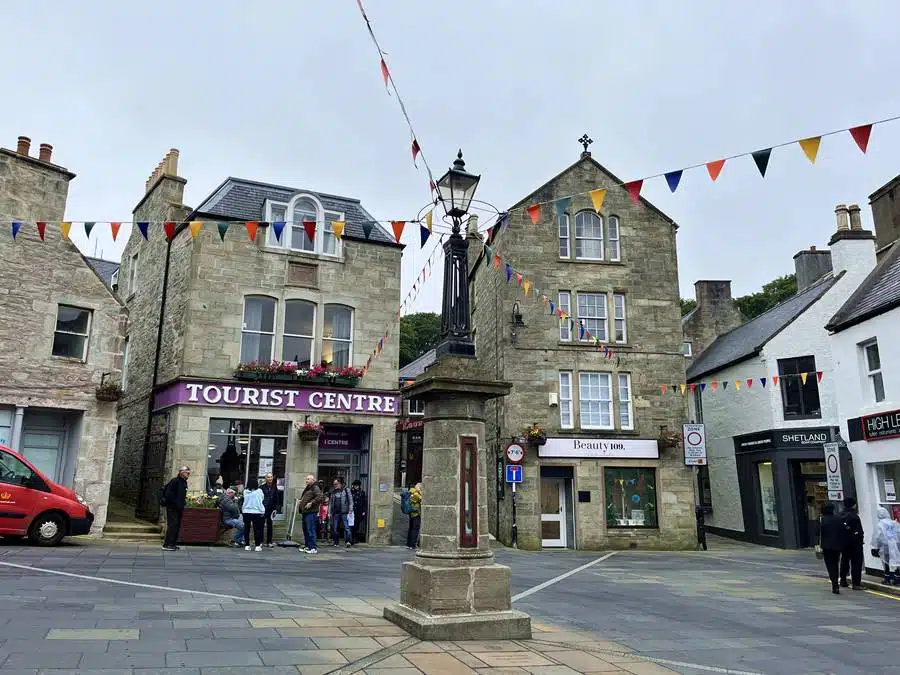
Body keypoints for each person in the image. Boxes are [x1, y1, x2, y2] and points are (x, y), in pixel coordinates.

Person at [161, 466, 190, 551]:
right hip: (172, 507)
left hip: (179, 508)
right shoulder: (175, 481)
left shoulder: (184, 482)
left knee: (177, 525)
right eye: (187, 472)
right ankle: (167, 544)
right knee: (172, 525)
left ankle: (173, 543)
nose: (188, 474)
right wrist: (174, 503)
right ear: (181, 472)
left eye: (189, 473)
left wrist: (183, 504)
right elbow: (168, 494)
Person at [839, 496, 864, 590]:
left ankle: (843, 580)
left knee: (844, 561)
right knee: (856, 563)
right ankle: (856, 583)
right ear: (853, 505)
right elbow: (858, 531)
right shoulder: (854, 516)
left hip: (844, 543)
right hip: (855, 543)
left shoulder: (840, 515)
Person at [819, 503, 845, 594]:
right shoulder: (838, 519)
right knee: (836, 564)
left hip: (826, 546)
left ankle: (834, 584)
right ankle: (836, 582)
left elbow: (817, 533)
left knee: (830, 566)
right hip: (837, 546)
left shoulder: (822, 520)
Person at [872, 506, 900, 585]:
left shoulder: (879, 525)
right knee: (896, 560)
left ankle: (887, 578)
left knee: (885, 562)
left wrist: (876, 546)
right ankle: (897, 577)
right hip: (895, 544)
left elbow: (877, 537)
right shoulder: (894, 522)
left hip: (885, 546)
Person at [298, 474, 324, 554]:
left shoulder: (315, 487)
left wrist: (311, 503)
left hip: (311, 513)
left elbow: (320, 496)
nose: (306, 480)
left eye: (308, 479)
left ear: (313, 480)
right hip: (305, 512)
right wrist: (301, 501)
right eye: (306, 479)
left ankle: (313, 548)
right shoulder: (308, 488)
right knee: (306, 530)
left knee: (310, 530)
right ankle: (307, 546)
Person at [241, 478, 266, 551]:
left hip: (246, 511)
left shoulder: (245, 491)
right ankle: (257, 546)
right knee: (257, 529)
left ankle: (247, 545)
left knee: (246, 529)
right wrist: (262, 511)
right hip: (256, 512)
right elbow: (262, 499)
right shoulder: (259, 491)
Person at [329, 477, 353, 547]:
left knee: (346, 527)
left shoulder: (346, 490)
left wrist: (350, 510)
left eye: (336, 484)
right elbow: (330, 502)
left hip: (344, 512)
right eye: (334, 484)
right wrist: (329, 512)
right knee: (335, 528)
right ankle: (336, 542)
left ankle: (348, 541)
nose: (335, 485)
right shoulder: (333, 491)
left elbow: (350, 500)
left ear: (340, 484)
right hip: (336, 513)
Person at [260, 473, 282, 548]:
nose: (270, 478)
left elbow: (277, 499)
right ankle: (260, 541)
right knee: (261, 525)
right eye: (268, 477)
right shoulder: (262, 487)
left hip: (271, 509)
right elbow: (259, 498)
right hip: (263, 509)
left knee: (270, 525)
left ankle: (269, 541)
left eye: (271, 477)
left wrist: (276, 509)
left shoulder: (274, 487)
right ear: (265, 479)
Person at [350, 480, 367, 545]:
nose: (356, 487)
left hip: (359, 511)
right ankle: (351, 538)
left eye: (357, 485)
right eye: (355, 485)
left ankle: (354, 537)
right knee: (351, 525)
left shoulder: (362, 492)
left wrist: (364, 511)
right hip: (352, 511)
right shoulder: (351, 492)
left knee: (357, 525)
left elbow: (364, 502)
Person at [407, 482, 422, 550]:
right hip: (416, 513)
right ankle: (413, 545)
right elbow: (422, 498)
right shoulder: (416, 493)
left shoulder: (411, 492)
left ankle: (409, 544)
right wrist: (420, 491)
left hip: (412, 513)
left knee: (411, 528)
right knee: (415, 529)